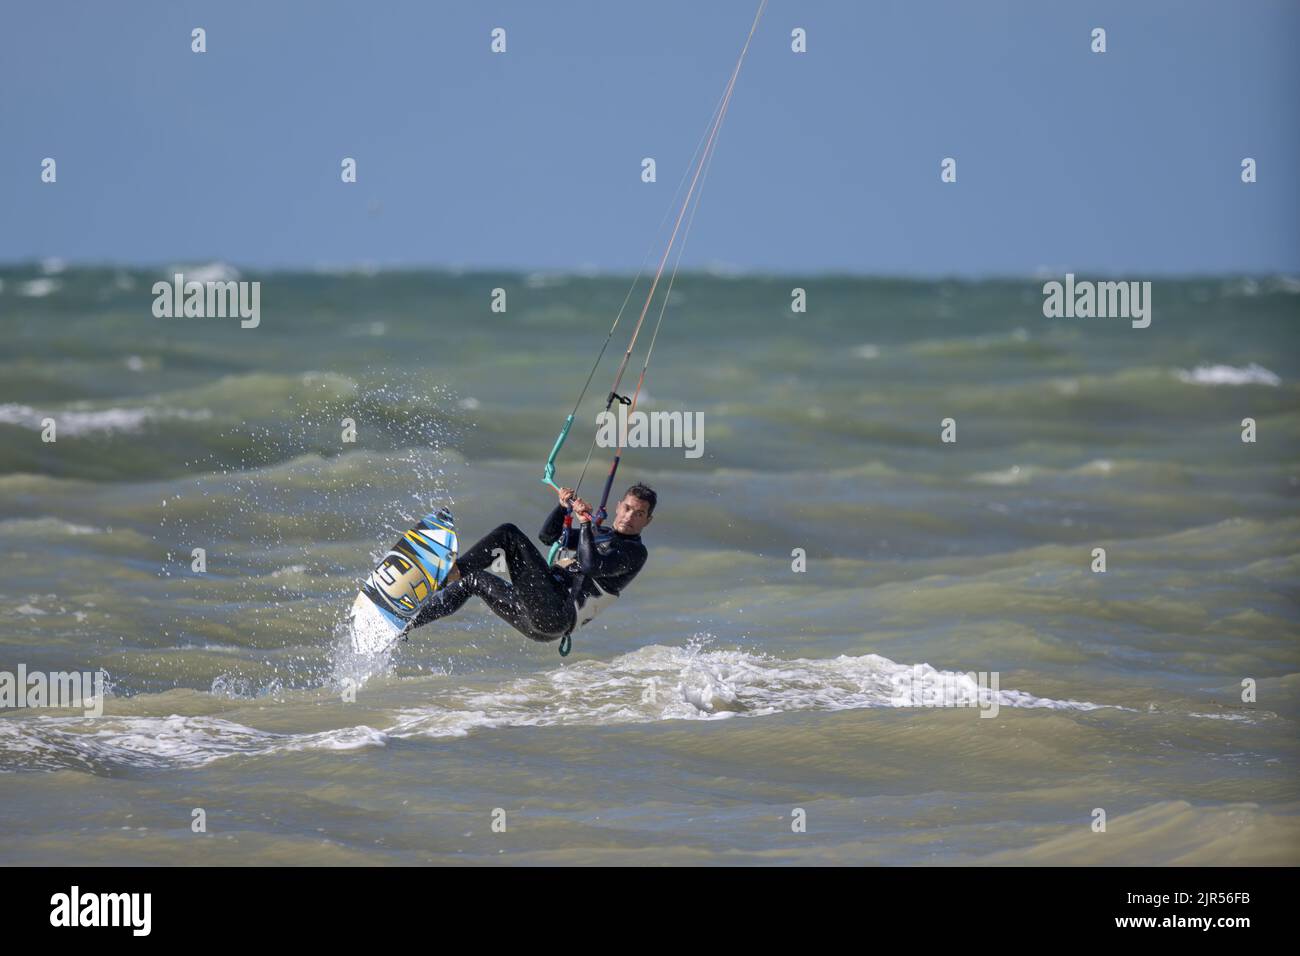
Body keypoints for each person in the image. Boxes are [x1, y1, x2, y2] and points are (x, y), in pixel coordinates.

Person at [401, 482, 654, 647]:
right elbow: (549, 537)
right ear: (618, 507)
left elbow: (590, 565)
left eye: (639, 513)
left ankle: (450, 572)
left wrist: (586, 524)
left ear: (647, 520)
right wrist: (562, 508)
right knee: (472, 581)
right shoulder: (603, 534)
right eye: (628, 508)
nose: (630, 516)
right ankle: (404, 625)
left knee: (509, 535)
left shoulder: (634, 553)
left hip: (556, 614)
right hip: (538, 620)